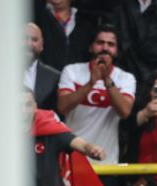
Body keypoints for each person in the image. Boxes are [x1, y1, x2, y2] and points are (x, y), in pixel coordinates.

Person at [57, 25, 135, 167]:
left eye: (111, 44)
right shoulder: (71, 71)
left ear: (117, 51)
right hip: (72, 158)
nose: (105, 48)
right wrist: (91, 83)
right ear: (90, 47)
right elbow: (62, 107)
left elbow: (124, 112)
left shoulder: (126, 78)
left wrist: (107, 80)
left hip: (106, 161)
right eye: (100, 42)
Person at [24, 22, 61, 111]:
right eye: (24, 38)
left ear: (42, 45)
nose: (29, 43)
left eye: (35, 40)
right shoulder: (0, 72)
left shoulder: (54, 78)